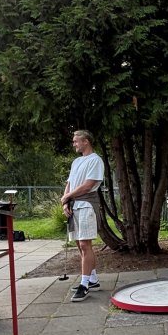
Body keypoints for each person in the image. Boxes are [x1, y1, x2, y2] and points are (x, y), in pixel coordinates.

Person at [60, 129, 104, 301]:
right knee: (80, 244)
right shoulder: (76, 161)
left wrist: (68, 196)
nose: (74, 144)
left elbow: (88, 185)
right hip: (74, 205)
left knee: (85, 245)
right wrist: (65, 201)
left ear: (86, 141)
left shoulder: (95, 160)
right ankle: (92, 279)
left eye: (76, 141)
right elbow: (70, 183)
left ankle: (84, 284)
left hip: (86, 205)